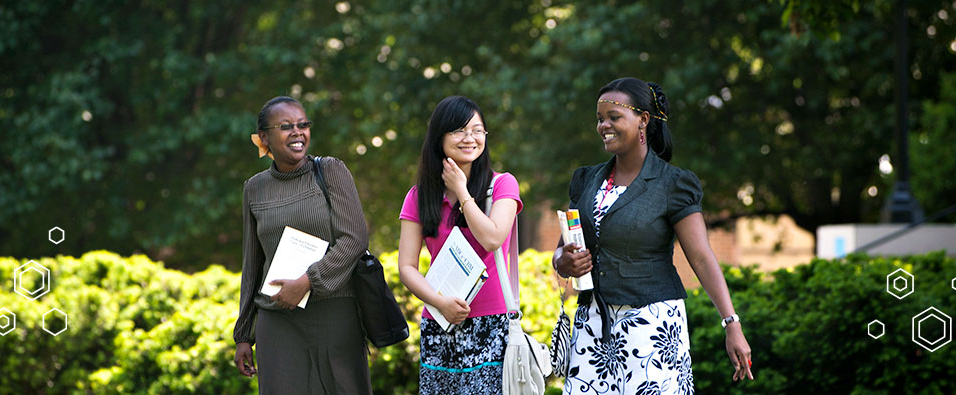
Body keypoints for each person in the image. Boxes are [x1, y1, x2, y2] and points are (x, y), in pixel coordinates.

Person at [553, 78, 754, 395]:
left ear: (643, 119)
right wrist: (564, 261)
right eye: (600, 118)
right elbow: (562, 251)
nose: (604, 125)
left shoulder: (673, 184)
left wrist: (732, 324)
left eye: (614, 117)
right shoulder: (585, 180)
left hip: (651, 325)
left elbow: (701, 258)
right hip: (592, 323)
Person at [232, 96, 372, 394]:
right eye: (286, 126)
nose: (298, 132)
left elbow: (355, 238)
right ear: (264, 138)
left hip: (334, 312)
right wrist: (244, 334)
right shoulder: (254, 188)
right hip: (278, 319)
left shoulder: (331, 171)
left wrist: (308, 281)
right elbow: (252, 264)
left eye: (302, 124)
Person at [397, 96, 523, 394]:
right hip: (439, 324)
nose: (470, 138)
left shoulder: (502, 185)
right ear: (439, 137)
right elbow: (406, 267)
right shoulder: (418, 196)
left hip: (492, 324)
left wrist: (461, 192)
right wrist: (440, 304)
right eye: (459, 131)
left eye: (478, 130)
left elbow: (493, 238)